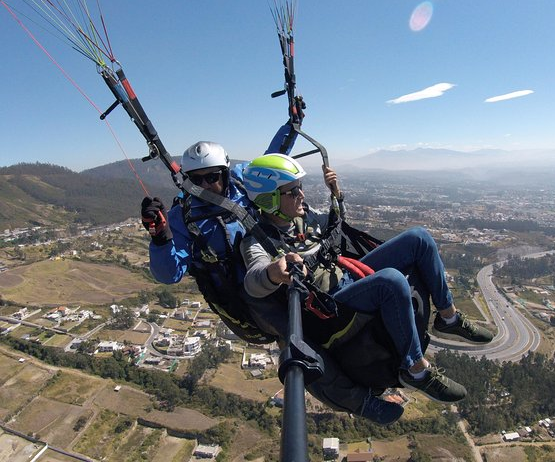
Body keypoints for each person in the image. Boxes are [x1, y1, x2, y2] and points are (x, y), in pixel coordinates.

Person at [141, 141, 400, 425]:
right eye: (196, 179)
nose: (206, 184)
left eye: (212, 176)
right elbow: (168, 274)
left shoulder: (240, 183)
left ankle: (386, 360)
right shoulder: (183, 218)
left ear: (225, 173)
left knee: (339, 299)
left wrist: (292, 121)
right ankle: (358, 402)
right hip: (248, 298)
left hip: (281, 267)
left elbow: (269, 160)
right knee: (296, 338)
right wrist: (160, 237)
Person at [240, 153, 494, 405]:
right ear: (269, 199)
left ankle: (449, 317)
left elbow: (337, 222)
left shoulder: (303, 217)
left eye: (300, 188)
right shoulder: (259, 241)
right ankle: (416, 370)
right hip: (330, 306)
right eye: (293, 192)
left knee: (419, 238)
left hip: (347, 276)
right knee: (391, 281)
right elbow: (253, 279)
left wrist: (336, 192)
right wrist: (274, 272)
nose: (302, 195)